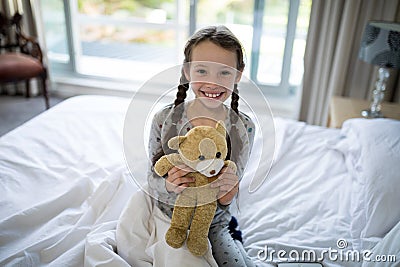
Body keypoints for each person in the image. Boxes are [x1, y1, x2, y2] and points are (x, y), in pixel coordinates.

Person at [147, 25, 256, 266]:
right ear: (187, 71)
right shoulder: (164, 120)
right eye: (202, 71)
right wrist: (168, 184)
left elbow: (228, 197)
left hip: (214, 220)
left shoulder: (243, 127)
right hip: (170, 216)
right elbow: (151, 180)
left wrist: (228, 191)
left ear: (238, 74)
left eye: (224, 73)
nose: (212, 83)